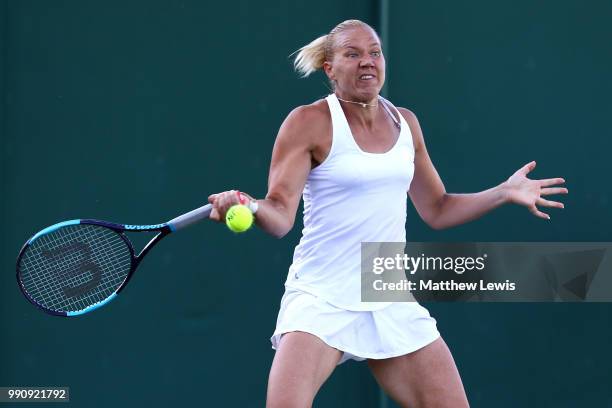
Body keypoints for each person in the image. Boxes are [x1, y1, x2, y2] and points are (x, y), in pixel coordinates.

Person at [208, 19, 567, 408]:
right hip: (321, 294)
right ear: (329, 68)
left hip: (384, 289)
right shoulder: (308, 122)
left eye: (374, 53)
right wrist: (252, 206)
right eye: (353, 54)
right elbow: (279, 215)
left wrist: (503, 192)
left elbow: (438, 208)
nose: (368, 62)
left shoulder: (405, 123)